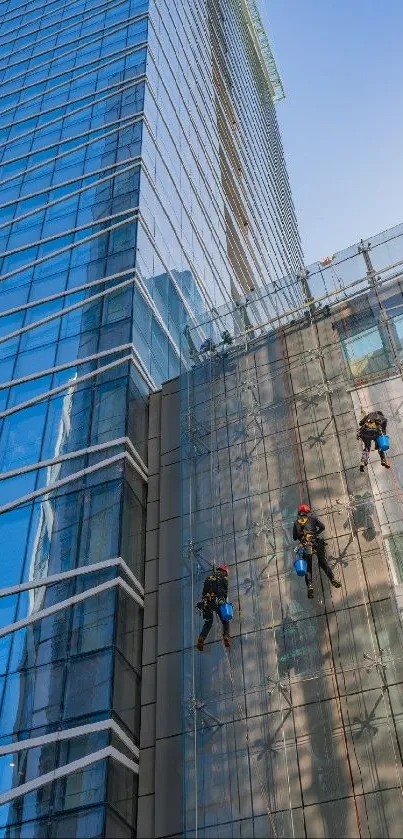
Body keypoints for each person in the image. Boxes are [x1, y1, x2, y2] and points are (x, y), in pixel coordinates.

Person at [293, 504, 341, 599]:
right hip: (316, 543)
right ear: (308, 512)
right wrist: (315, 533)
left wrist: (301, 535)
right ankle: (332, 579)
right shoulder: (313, 519)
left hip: (305, 545)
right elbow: (322, 527)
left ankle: (310, 586)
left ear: (299, 513)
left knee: (308, 567)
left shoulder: (296, 523)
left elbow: (294, 537)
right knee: (323, 562)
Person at [196, 565, 230, 650]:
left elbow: (204, 592)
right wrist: (223, 601)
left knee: (208, 622)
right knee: (225, 620)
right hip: (217, 602)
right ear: (224, 572)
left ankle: (201, 638)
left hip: (207, 602)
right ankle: (226, 636)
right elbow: (224, 593)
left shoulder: (209, 578)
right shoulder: (223, 579)